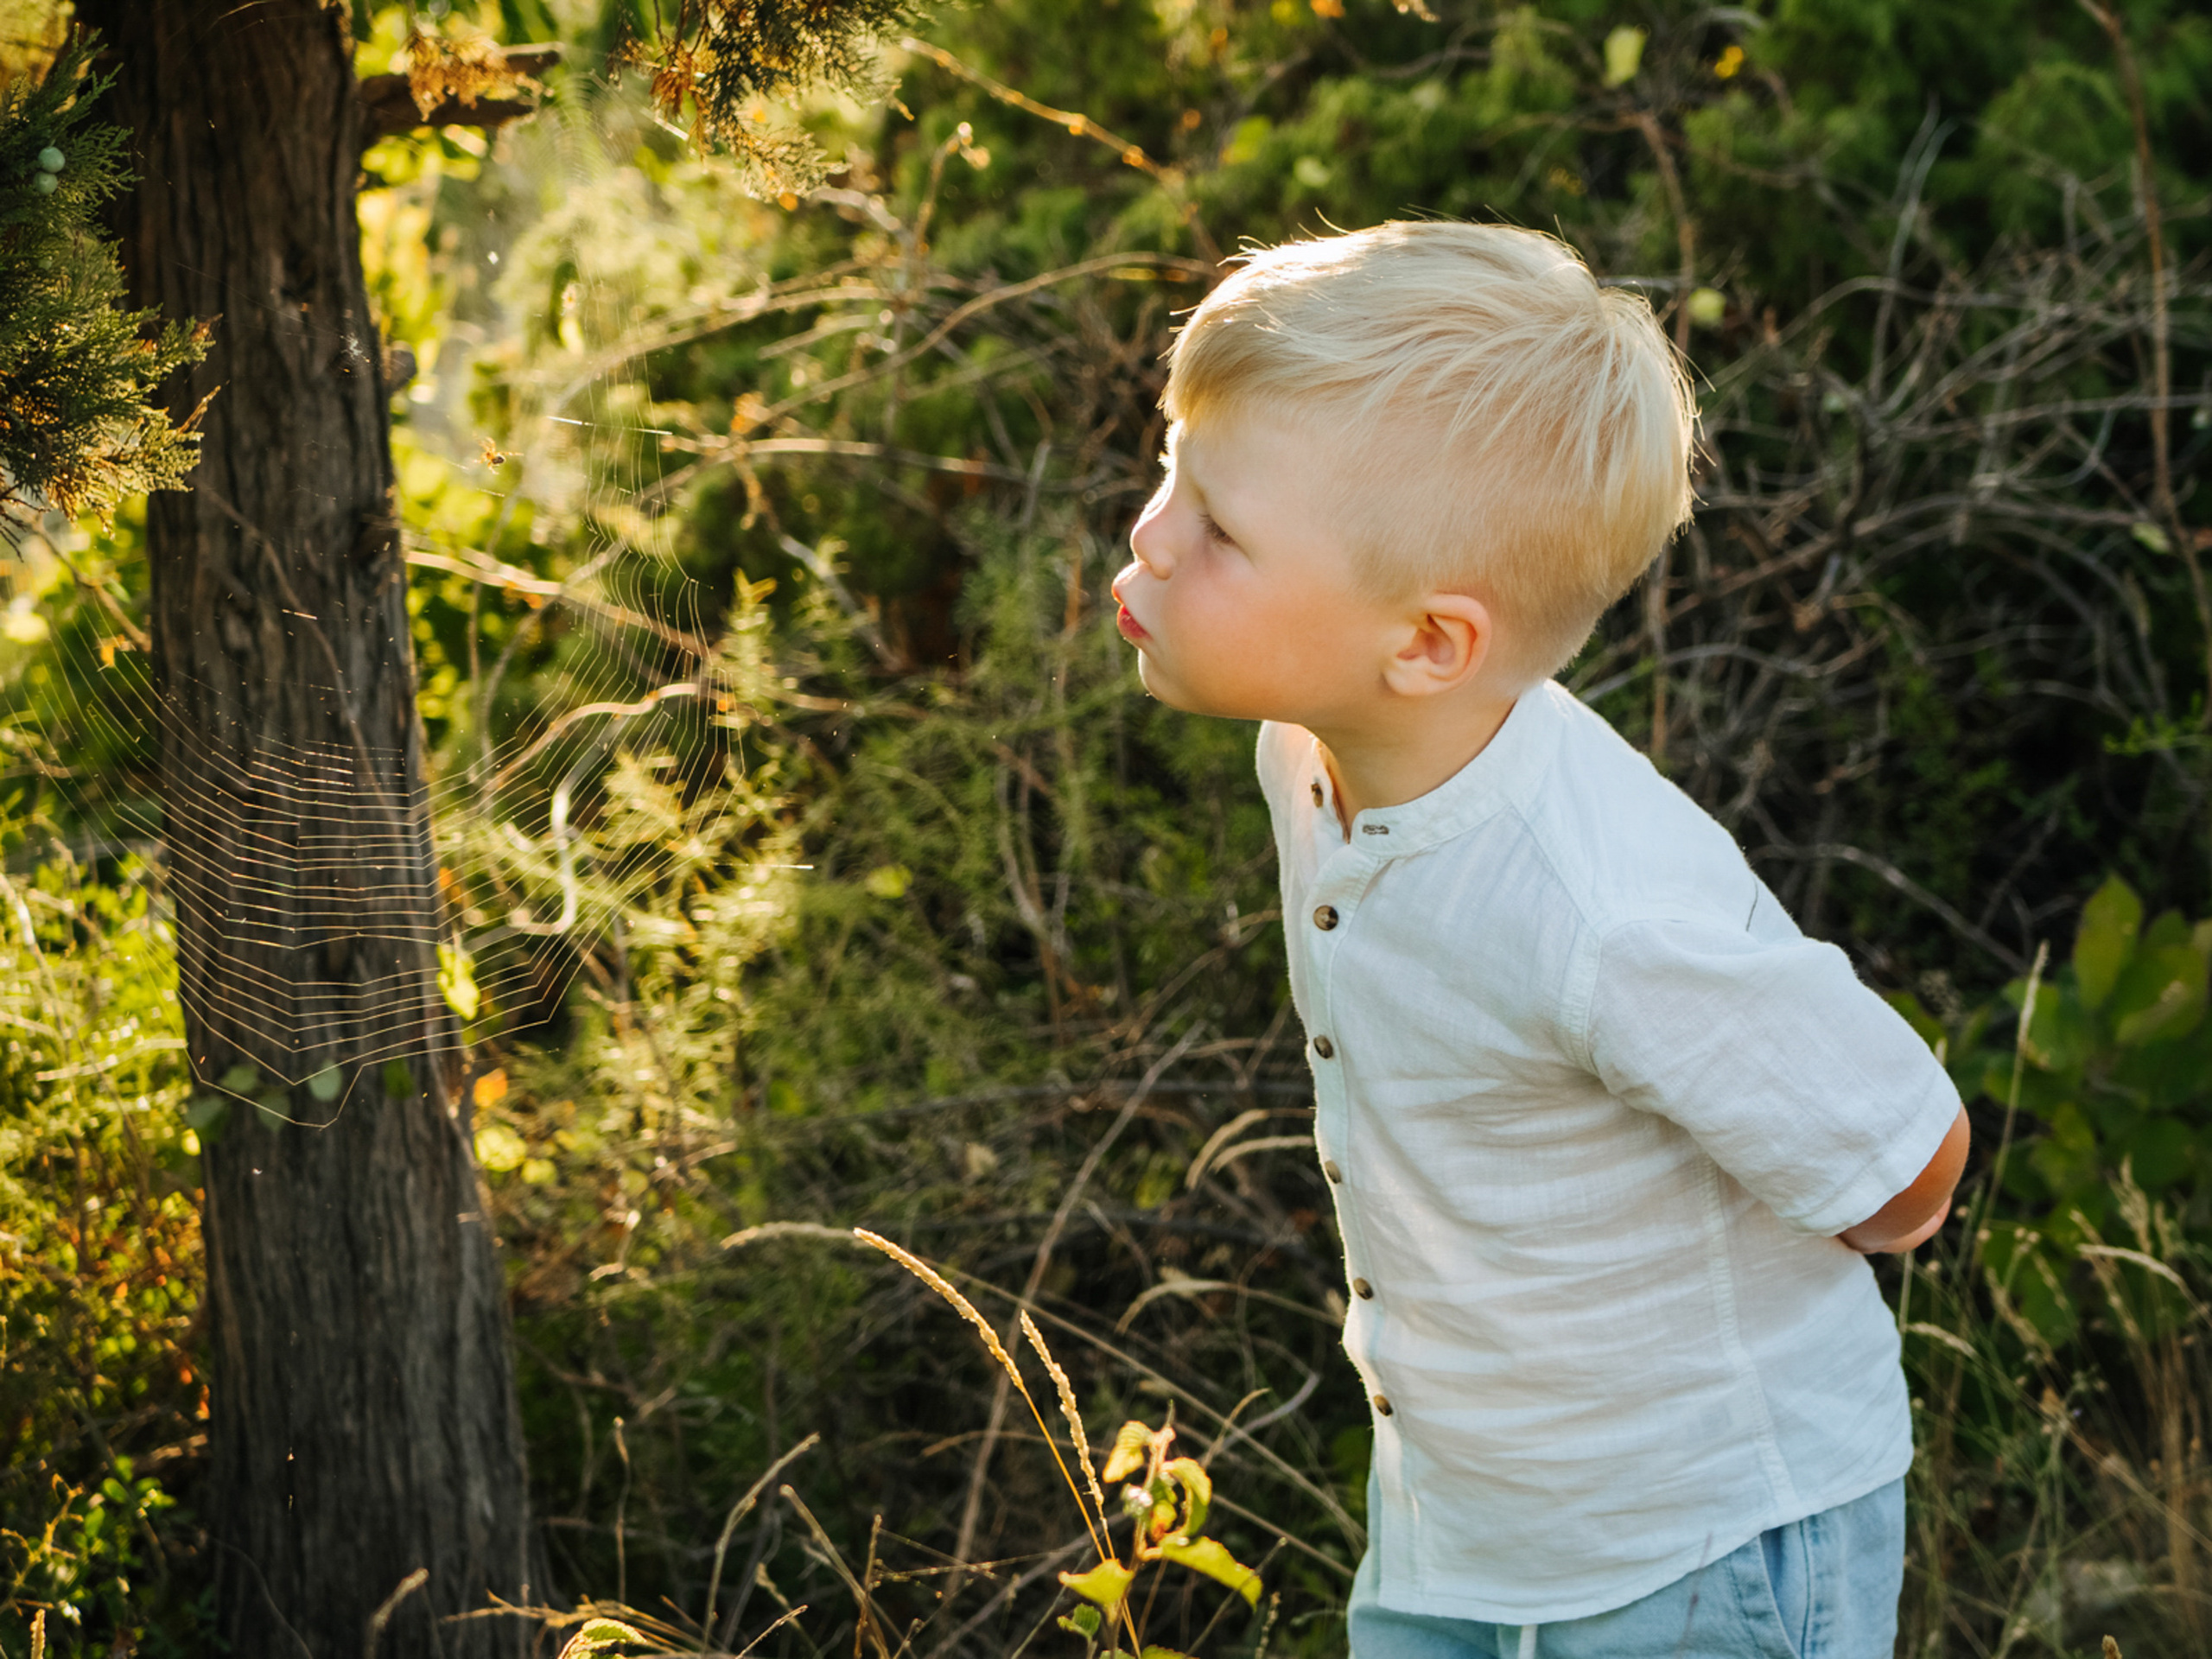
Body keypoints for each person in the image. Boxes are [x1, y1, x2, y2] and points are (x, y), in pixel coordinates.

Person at [1109, 221, 1969, 1659]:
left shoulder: (1599, 909)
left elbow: (1910, 1168)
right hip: (1467, 1537)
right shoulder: (1308, 749)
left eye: (1220, 528)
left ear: (1430, 645)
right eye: (1169, 475)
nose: (1148, 533)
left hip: (1703, 1556)